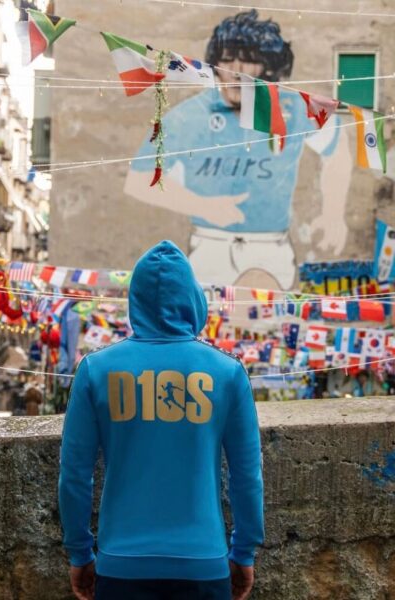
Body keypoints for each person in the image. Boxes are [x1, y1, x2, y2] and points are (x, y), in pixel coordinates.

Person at [59, 240, 264, 600]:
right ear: (193, 299)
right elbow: (247, 476)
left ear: (135, 300)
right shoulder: (228, 372)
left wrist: (80, 552)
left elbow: (75, 474)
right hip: (203, 564)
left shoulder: (95, 370)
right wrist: (243, 551)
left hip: (120, 564)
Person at [124, 10, 351, 290]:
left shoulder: (290, 108)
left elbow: (337, 143)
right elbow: (139, 179)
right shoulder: (190, 115)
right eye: (228, 59)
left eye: (249, 60)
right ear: (215, 63)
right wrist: (203, 206)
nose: (236, 70)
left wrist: (333, 214)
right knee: (207, 316)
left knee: (263, 316)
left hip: (270, 246)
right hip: (210, 244)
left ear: (267, 67)